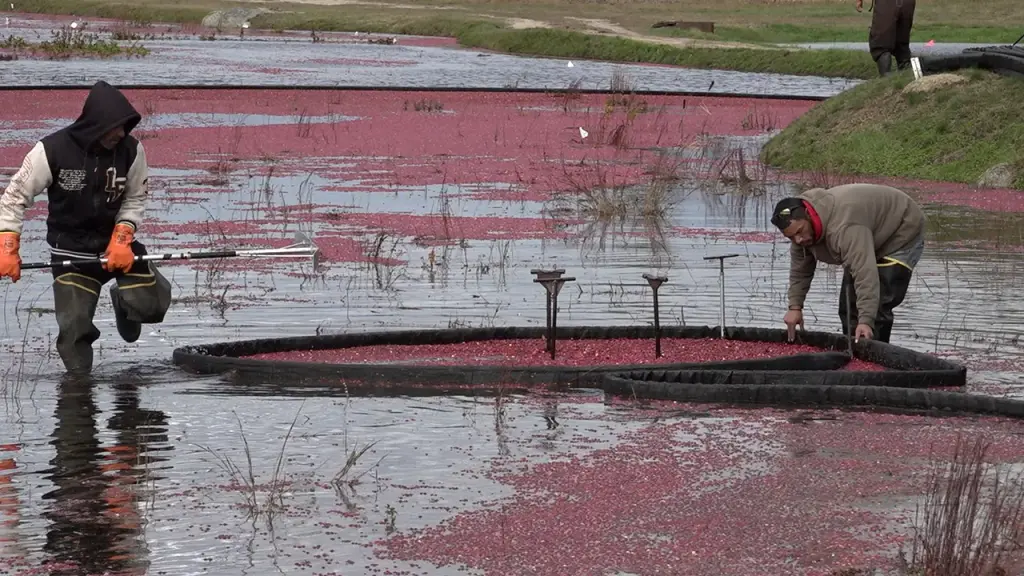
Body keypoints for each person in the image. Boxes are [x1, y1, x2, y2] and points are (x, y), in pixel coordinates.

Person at [0, 80, 171, 374]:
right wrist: (8, 246)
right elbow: (14, 198)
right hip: (72, 256)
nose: (120, 133)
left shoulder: (132, 150)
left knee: (152, 308)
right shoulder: (50, 150)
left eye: (125, 127)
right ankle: (78, 402)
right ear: (95, 123)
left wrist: (123, 236)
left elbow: (135, 197)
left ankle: (124, 300)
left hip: (118, 250)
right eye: (115, 127)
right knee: (74, 335)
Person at [770, 183, 926, 344]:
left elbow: (864, 272)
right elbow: (800, 272)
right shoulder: (799, 235)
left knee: (877, 309)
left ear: (809, 214)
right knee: (848, 309)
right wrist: (795, 307)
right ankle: (854, 355)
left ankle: (875, 361)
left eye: (799, 232)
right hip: (865, 233)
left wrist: (865, 321)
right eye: (791, 237)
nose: (798, 240)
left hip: (901, 229)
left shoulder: (844, 228)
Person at [858, 0, 917, 76]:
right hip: (908, 3)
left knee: (881, 45)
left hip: (887, 3)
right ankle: (905, 78)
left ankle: (886, 79)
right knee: (901, 45)